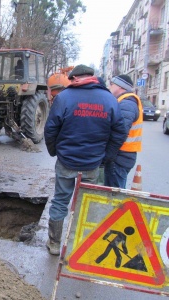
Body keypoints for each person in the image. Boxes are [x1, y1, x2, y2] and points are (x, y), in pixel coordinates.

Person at [44, 64, 127, 255]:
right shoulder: (109, 99)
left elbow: (50, 129)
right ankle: (82, 245)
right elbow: (119, 131)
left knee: (60, 201)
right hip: (92, 163)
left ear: (73, 79)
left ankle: (55, 244)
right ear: (93, 77)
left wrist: (54, 151)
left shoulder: (64, 97)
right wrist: (107, 156)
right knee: (88, 203)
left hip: (66, 161)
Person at [105, 75, 143, 188]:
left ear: (121, 87)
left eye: (112, 84)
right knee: (113, 191)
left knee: (114, 194)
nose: (109, 86)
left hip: (120, 156)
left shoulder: (127, 104)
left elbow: (120, 132)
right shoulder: (125, 102)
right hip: (122, 155)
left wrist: (109, 155)